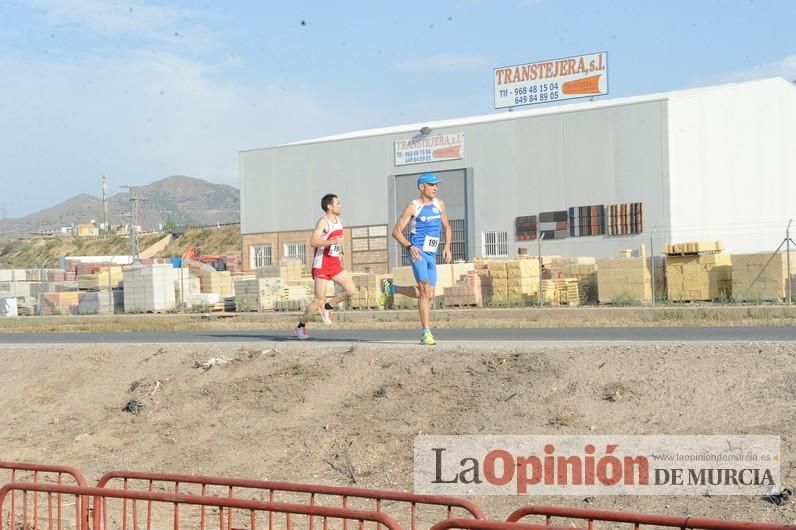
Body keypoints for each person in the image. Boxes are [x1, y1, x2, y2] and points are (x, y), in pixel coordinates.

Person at [381, 173, 451, 345]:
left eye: (436, 185)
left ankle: (392, 288)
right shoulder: (413, 207)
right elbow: (396, 232)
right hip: (418, 253)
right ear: (422, 187)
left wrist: (447, 246)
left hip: (432, 254)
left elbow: (447, 227)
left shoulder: (440, 204)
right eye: (431, 184)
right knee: (425, 291)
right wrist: (409, 246)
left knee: (429, 295)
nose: (435, 187)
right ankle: (426, 332)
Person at [294, 194, 356, 340]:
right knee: (317, 301)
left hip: (334, 264)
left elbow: (338, 240)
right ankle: (300, 326)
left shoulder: (339, 221)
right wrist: (331, 242)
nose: (340, 205)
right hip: (321, 265)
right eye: (337, 203)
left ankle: (328, 307)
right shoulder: (323, 222)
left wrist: (340, 250)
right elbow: (313, 241)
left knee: (351, 290)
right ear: (329, 206)